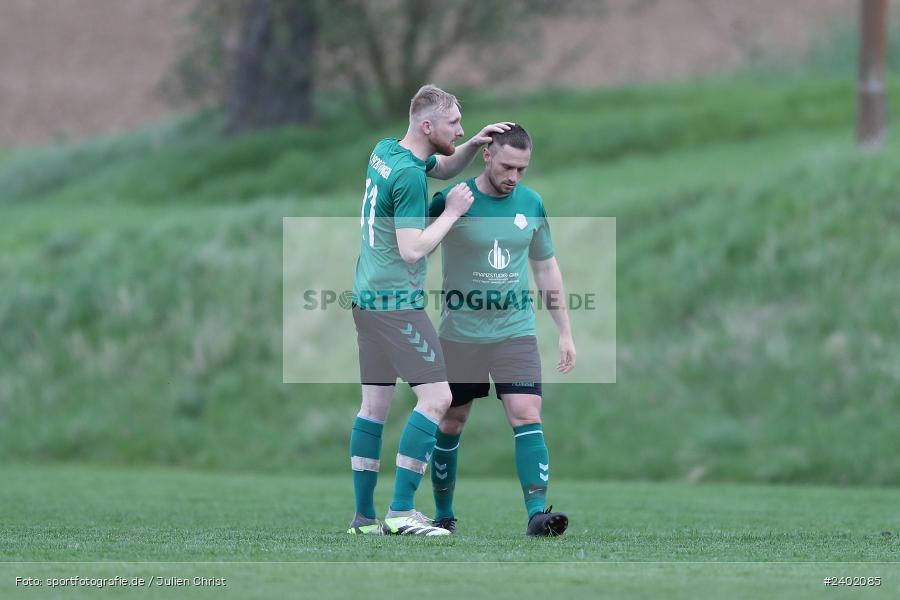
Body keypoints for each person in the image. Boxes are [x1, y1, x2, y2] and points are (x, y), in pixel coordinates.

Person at [348, 84, 512, 536]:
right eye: (454, 123)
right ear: (426, 125)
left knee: (373, 408)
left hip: (365, 300)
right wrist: (451, 212)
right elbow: (412, 249)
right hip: (396, 305)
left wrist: (473, 143)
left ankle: (364, 520)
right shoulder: (408, 177)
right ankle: (402, 512)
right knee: (438, 399)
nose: (459, 129)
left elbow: (440, 165)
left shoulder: (387, 151)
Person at [427, 124, 575, 536]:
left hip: (515, 331)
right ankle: (443, 515)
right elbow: (412, 251)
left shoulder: (531, 203)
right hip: (460, 335)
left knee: (527, 413)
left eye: (522, 169)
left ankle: (537, 515)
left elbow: (545, 268)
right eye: (507, 166)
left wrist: (564, 330)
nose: (514, 177)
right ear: (487, 155)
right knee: (451, 422)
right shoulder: (454, 200)